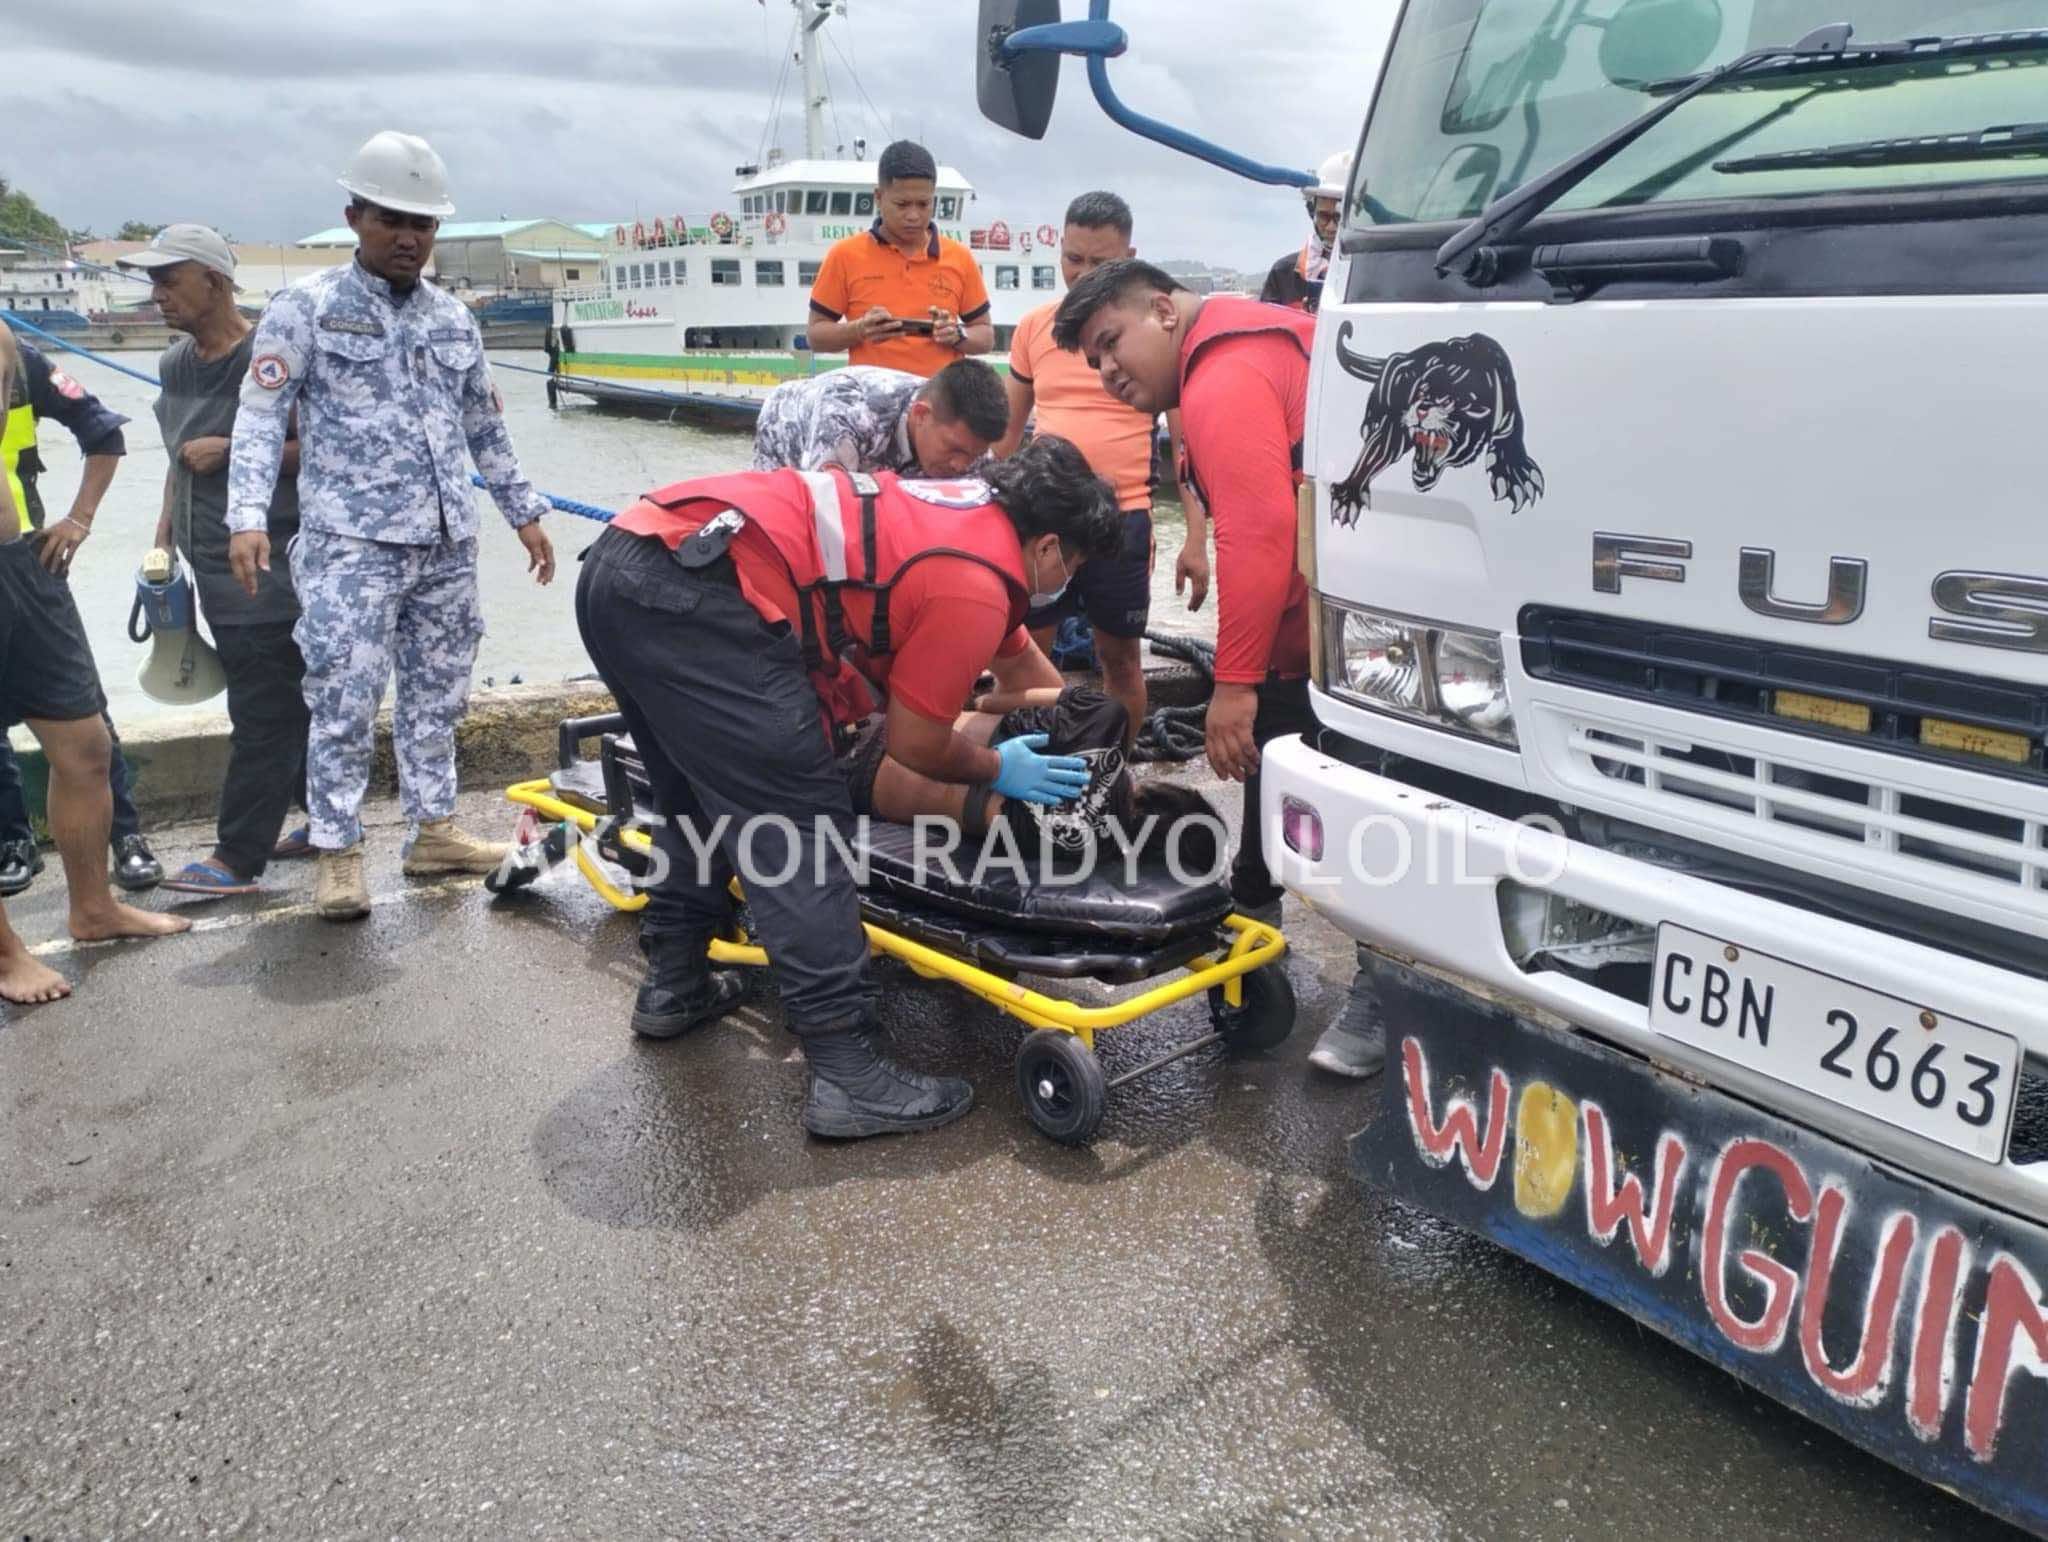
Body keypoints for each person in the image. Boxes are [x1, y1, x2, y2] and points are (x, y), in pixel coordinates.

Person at [577, 435, 1121, 1139]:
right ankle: (847, 1070)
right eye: (1073, 565)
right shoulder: (976, 581)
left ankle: (675, 981)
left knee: (691, 790)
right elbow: (915, 744)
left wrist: (1085, 725)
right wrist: (998, 768)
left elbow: (1024, 671)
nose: (1066, 582)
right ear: (1048, 545)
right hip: (701, 596)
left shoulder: (963, 513)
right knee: (797, 822)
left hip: (627, 562)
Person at [1052, 257, 1387, 1079]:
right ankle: (1254, 920)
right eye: (1093, 360)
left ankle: (1387, 984)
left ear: (1163, 312)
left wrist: (1231, 684)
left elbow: (1263, 533)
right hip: (1320, 629)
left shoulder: (1224, 374)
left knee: (1366, 800)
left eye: (1111, 342)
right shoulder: (1225, 358)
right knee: (1269, 758)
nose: (1106, 370)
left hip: (1368, 637)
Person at [226, 130, 557, 922]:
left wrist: (524, 513)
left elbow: (484, 424)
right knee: (342, 699)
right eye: (392, 220)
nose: (409, 238)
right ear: (355, 218)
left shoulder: (454, 319)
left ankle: (433, 831)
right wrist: (245, 516)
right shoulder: (305, 309)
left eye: (424, 223)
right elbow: (261, 416)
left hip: (446, 544)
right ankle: (339, 852)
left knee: (439, 697)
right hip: (352, 545)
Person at [0, 324, 189, 1006]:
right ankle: (5, 953)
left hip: (23, 564)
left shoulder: (13, 347)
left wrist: (78, 518)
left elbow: (101, 430)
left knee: (84, 747)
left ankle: (94, 907)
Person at [119, 224, 310, 896]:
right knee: (282, 695)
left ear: (216, 281)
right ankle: (326, 819)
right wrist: (161, 542)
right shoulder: (175, 364)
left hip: (272, 565)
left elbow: (327, 452)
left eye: (169, 279)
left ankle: (237, 856)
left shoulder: (269, 357)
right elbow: (178, 461)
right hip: (205, 565)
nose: (157, 294)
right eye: (153, 281)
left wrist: (233, 450)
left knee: (264, 708)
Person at [996, 190, 1210, 750]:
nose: (1083, 274)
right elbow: (1005, 441)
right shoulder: (1033, 328)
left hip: (1124, 520)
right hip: (1045, 522)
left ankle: (1115, 771)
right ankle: (1031, 767)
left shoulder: (1153, 340)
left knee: (1122, 664)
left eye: (1101, 262)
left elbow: (1187, 450)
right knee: (1025, 655)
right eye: (1073, 259)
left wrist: (1195, 538)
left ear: (1130, 258)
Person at [805, 140, 993, 377]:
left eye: (923, 204)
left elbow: (985, 335)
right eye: (902, 205)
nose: (913, 215)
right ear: (878, 197)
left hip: (940, 397)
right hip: (873, 396)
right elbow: (816, 336)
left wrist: (957, 334)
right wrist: (859, 329)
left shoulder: (960, 258)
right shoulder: (844, 255)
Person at [752, 358, 1008, 478]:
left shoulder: (971, 448)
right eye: (954, 450)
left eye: (973, 455)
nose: (961, 465)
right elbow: (828, 502)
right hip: (787, 428)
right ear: (921, 415)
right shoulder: (852, 413)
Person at [1258, 151, 1351, 315]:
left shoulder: (1372, 273)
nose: (1331, 227)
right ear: (1311, 212)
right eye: (1324, 217)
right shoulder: (1282, 273)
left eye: (1338, 218)